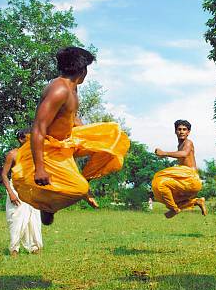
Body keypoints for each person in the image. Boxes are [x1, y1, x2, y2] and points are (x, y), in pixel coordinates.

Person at [12, 47, 130, 225]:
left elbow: (70, 115)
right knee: (78, 189)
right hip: (49, 148)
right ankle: (48, 205)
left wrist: (89, 136)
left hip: (68, 140)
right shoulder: (59, 90)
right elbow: (38, 128)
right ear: (82, 71)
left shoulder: (73, 89)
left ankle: (86, 178)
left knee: (114, 137)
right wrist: (40, 169)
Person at [0, 129, 43, 256]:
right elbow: (3, 175)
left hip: (32, 189)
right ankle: (14, 249)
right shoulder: (13, 154)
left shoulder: (36, 154)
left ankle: (35, 248)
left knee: (34, 220)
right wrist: (11, 193)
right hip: (16, 189)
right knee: (16, 219)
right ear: (21, 139)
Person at [152, 120, 207, 218]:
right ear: (175, 131)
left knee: (161, 183)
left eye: (184, 129)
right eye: (179, 129)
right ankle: (197, 201)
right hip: (185, 180)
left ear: (188, 132)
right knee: (168, 198)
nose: (181, 131)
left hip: (191, 179)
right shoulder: (179, 145)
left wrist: (164, 153)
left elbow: (184, 153)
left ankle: (175, 209)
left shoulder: (188, 143)